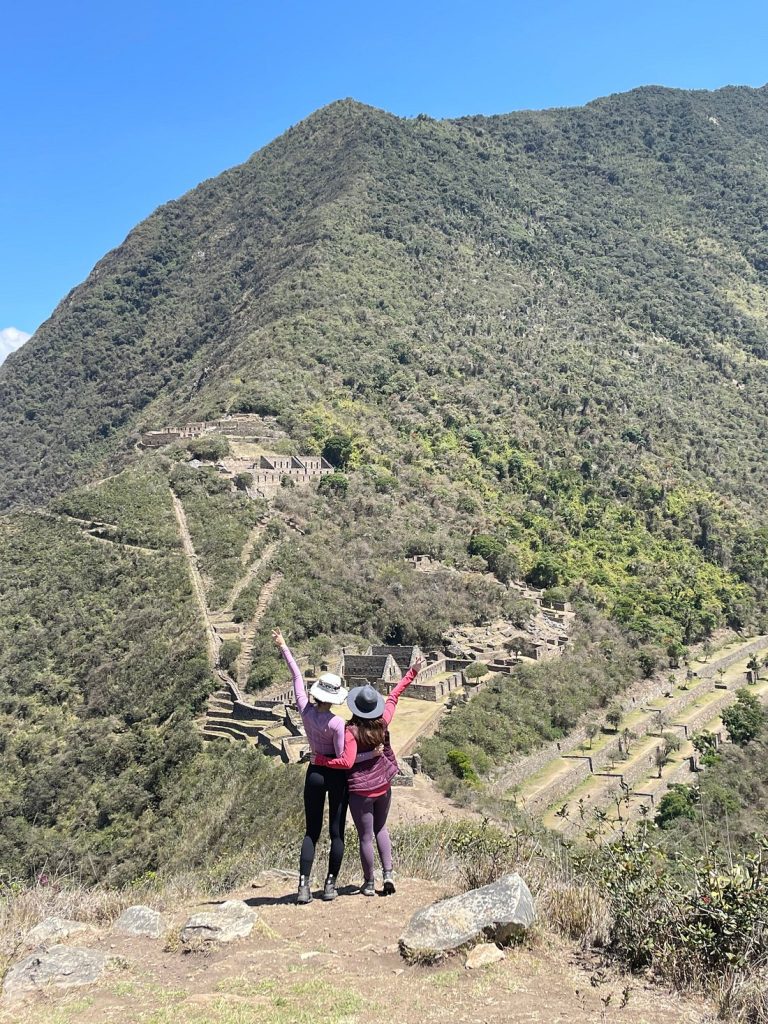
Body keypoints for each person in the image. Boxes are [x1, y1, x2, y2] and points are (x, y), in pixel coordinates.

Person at [314, 655, 424, 896]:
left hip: (361, 791)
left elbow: (346, 761)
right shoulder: (382, 722)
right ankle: (388, 874)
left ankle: (368, 883)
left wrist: (319, 759)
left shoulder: (350, 731)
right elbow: (395, 695)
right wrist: (412, 671)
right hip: (383, 785)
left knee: (365, 837)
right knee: (381, 829)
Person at [272, 628, 349, 905]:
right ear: (335, 698)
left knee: (311, 831)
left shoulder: (305, 712)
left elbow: (296, 677)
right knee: (336, 831)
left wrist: (283, 646)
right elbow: (341, 757)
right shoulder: (337, 723)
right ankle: (330, 885)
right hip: (335, 775)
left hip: (314, 773)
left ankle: (303, 886)